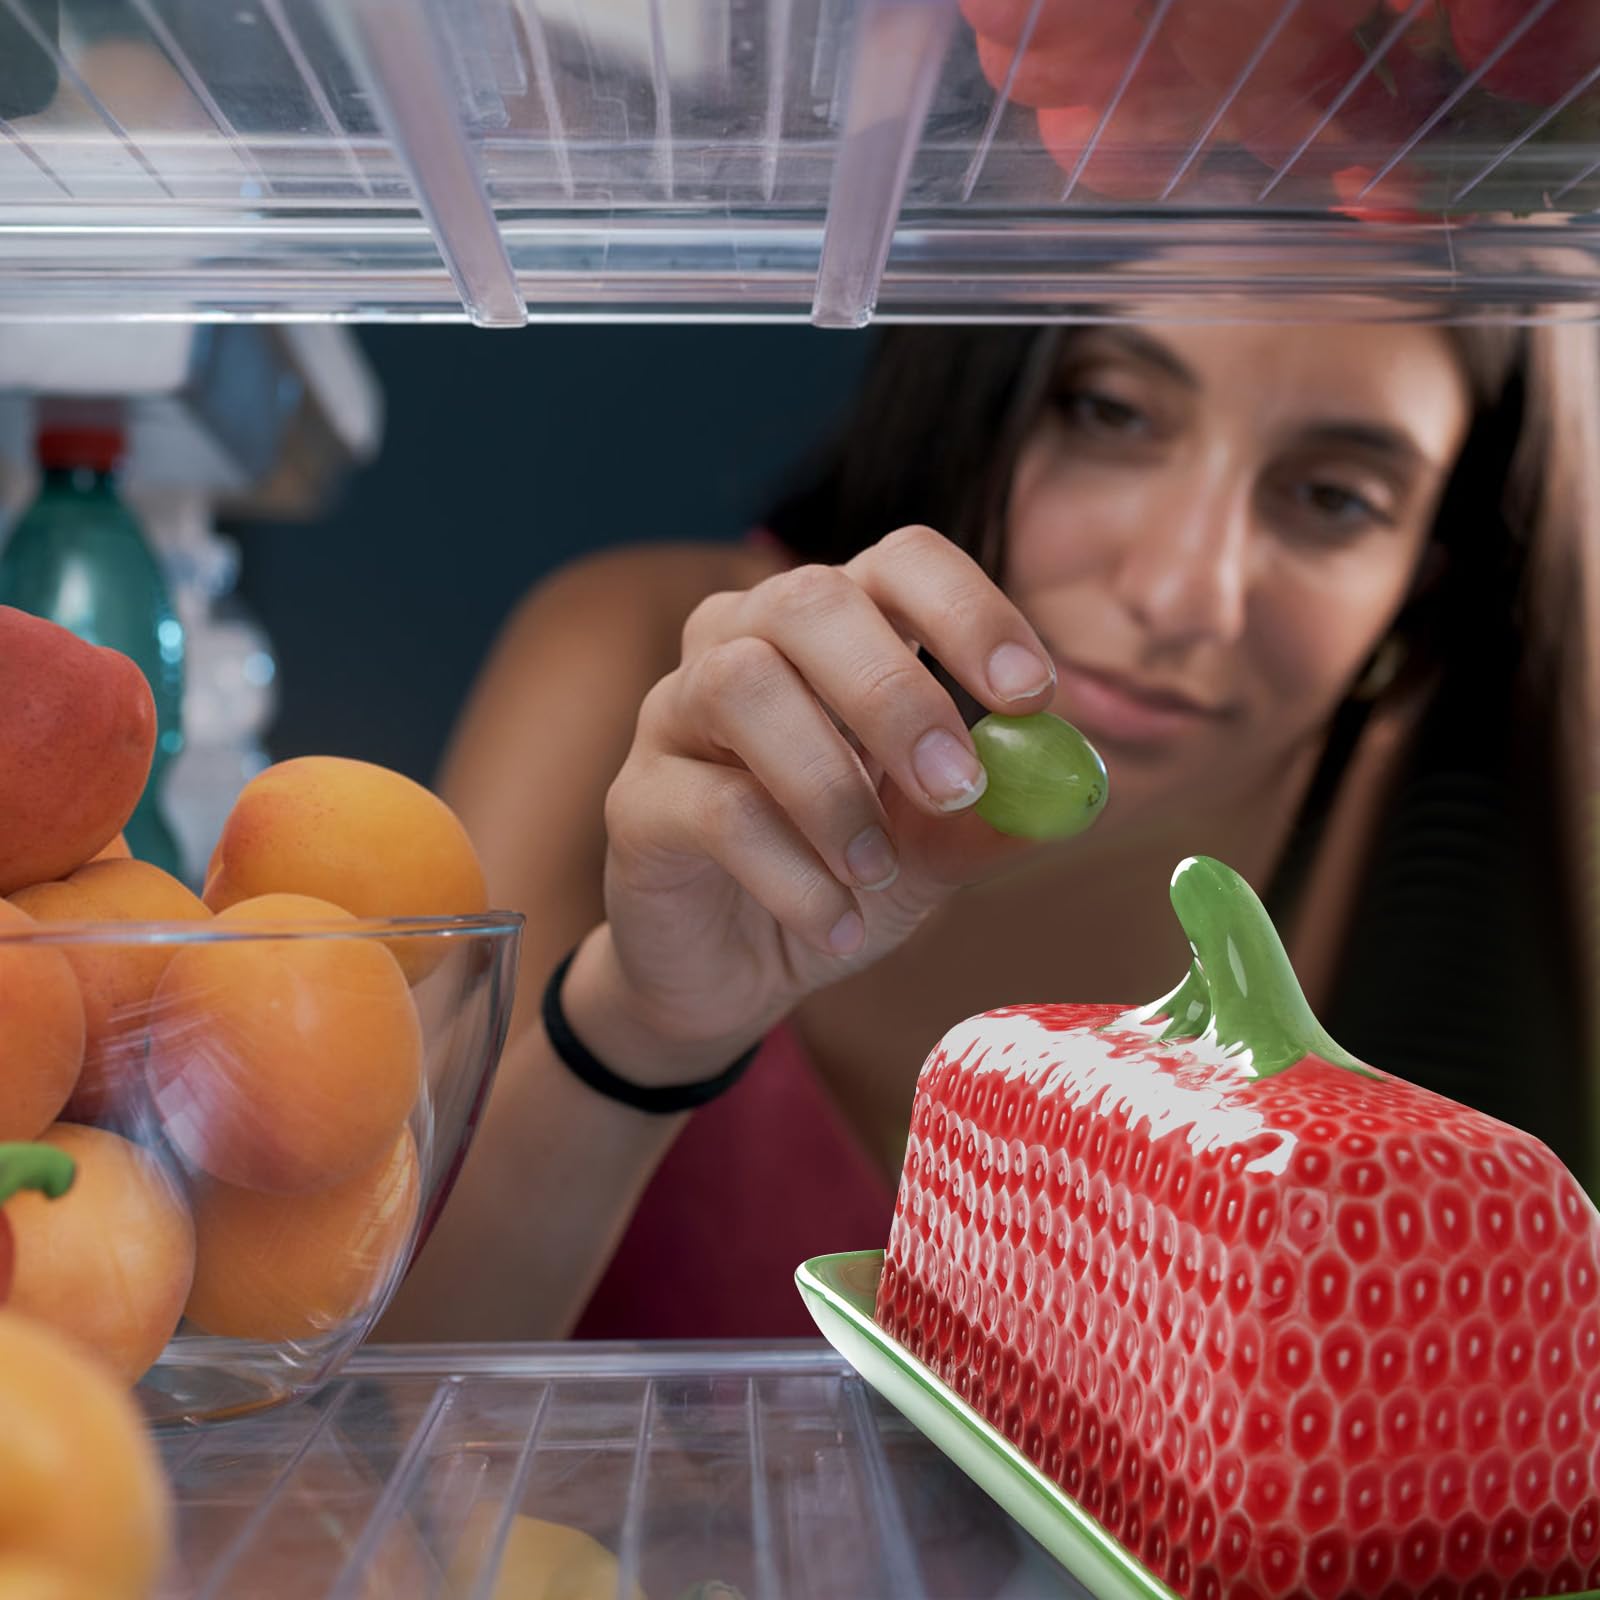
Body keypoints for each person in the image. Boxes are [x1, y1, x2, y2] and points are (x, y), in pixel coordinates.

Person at [379, 319, 1600, 1344]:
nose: (1181, 591)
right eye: (1111, 412)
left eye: (1334, 497)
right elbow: (364, 1426)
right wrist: (643, 1028)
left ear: (1423, 576)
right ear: (982, 387)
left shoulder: (1441, 836)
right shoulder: (642, 667)